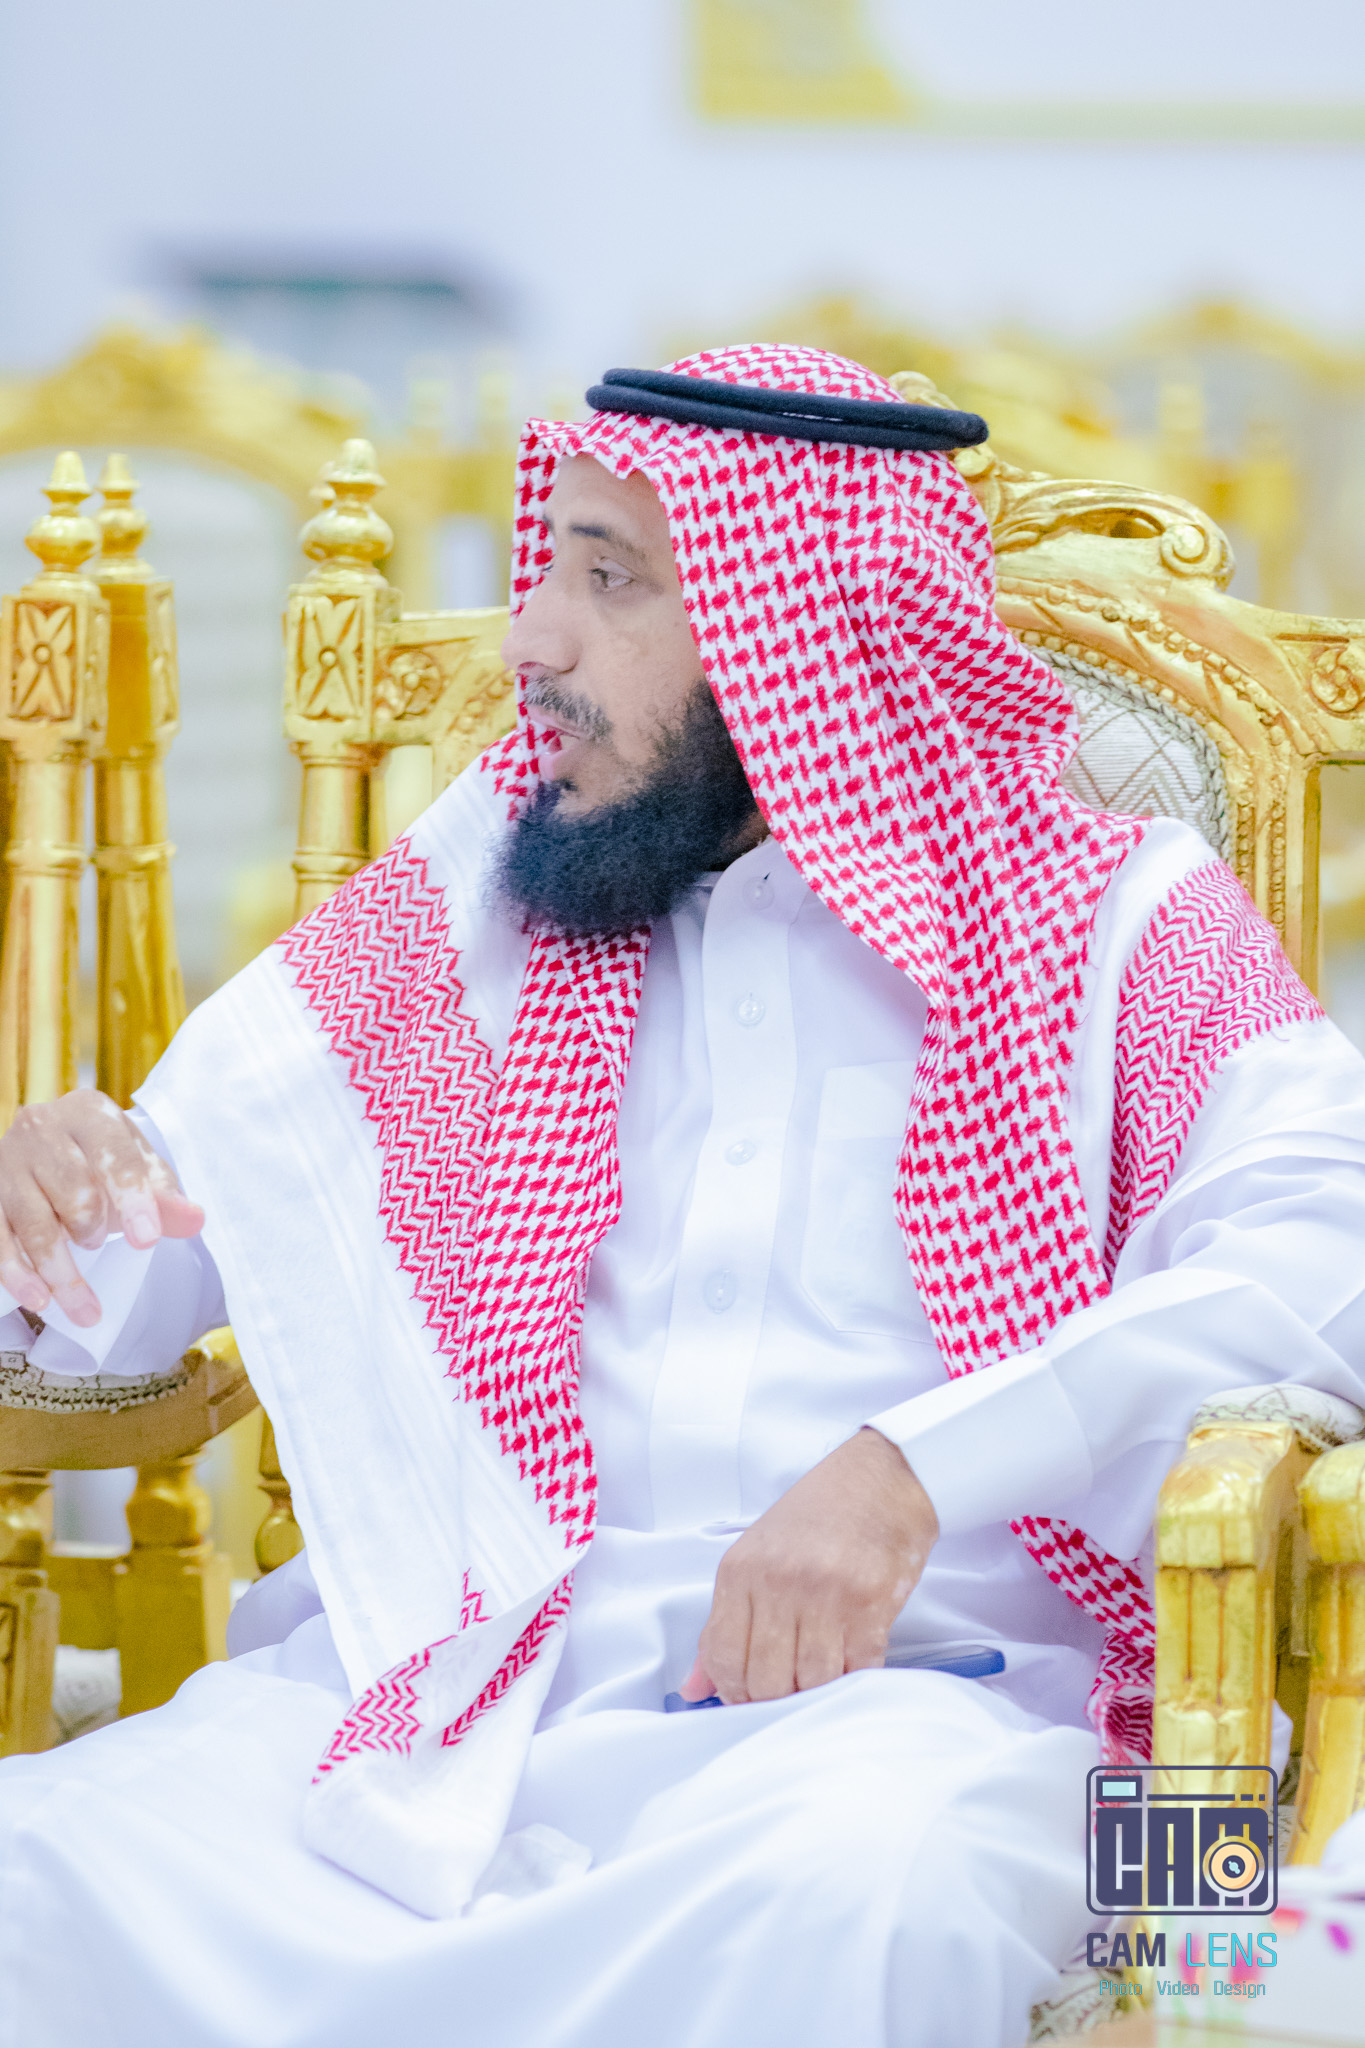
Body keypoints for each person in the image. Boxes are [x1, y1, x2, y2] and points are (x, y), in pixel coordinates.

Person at [1, 344, 1363, 2048]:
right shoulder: (479, 900)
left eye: (610, 580)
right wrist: (51, 1201)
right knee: (42, 1869)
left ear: (803, 631)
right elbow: (162, 1261)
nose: (531, 641)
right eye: (547, 569)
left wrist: (910, 1473)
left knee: (864, 1903)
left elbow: (1324, 1257)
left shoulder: (1104, 920)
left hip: (920, 1718)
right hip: (449, 1692)